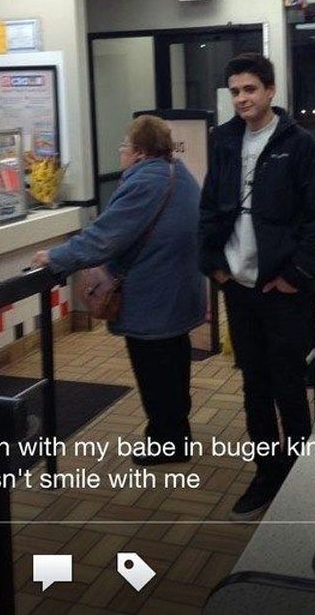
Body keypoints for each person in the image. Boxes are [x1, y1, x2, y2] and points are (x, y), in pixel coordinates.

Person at [199, 53, 315, 520]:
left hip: (281, 289)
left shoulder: (298, 145)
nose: (242, 99)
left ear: (270, 91)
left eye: (250, 89)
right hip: (237, 286)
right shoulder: (222, 141)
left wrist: (296, 274)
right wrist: (214, 266)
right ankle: (267, 472)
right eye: (235, 91)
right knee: (254, 385)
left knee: (288, 384)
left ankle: (301, 477)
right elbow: (208, 209)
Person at [32, 115, 205, 465]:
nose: (121, 152)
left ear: (140, 153)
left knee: (154, 372)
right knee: (173, 367)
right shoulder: (179, 174)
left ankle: (166, 443)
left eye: (124, 146)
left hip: (152, 299)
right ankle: (176, 434)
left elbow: (104, 238)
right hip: (179, 293)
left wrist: (55, 257)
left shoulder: (145, 183)